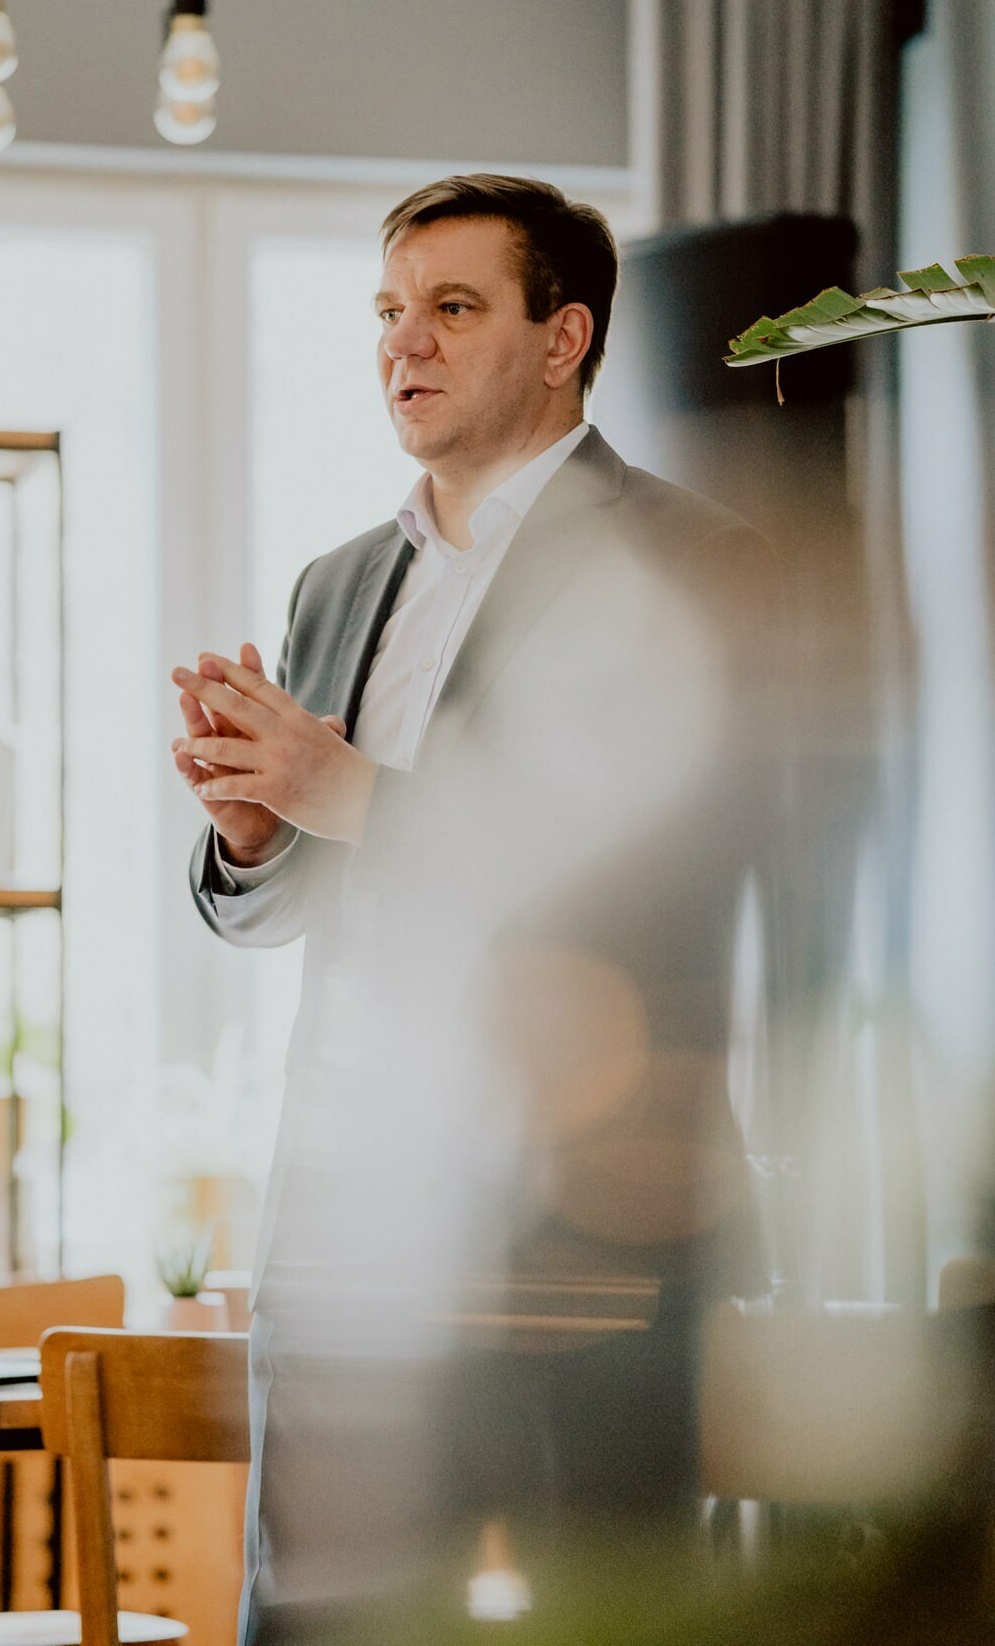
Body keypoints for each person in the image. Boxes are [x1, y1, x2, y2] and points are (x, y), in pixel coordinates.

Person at [170, 175, 779, 1644]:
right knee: (319, 1614)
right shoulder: (336, 586)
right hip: (345, 1222)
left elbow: (667, 882)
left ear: (564, 337)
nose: (404, 344)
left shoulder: (693, 563)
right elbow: (274, 914)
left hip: (581, 1222)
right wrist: (257, 837)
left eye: (452, 307)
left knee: (593, 1616)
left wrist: (354, 792)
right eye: (389, 311)